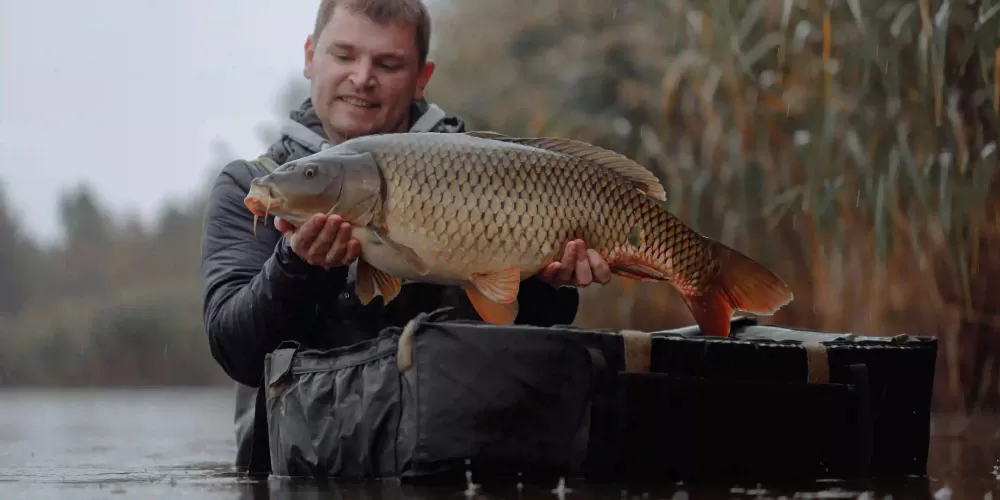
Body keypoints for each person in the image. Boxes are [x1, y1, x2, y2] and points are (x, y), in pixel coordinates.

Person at [199, 0, 612, 473]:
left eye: (387, 63)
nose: (362, 78)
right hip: (303, 470)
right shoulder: (252, 186)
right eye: (344, 55)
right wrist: (296, 268)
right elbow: (236, 351)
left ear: (421, 77)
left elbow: (529, 333)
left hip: (465, 462)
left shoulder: (485, 169)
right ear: (311, 56)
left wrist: (550, 284)